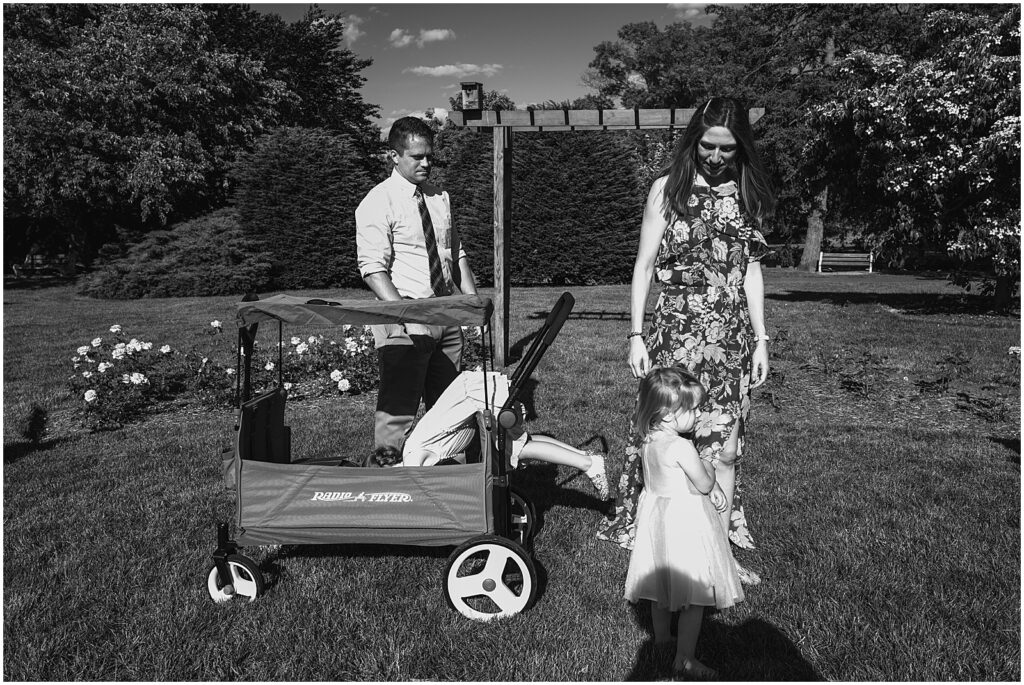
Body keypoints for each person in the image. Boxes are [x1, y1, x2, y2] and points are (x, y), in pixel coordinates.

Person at [597, 97, 775, 584]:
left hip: (731, 334)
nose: (715, 158)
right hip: (675, 327)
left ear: (742, 149)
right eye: (707, 147)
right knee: (673, 437)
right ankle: (663, 539)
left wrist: (761, 339)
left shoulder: (747, 193)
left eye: (727, 150)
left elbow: (751, 271)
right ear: (693, 139)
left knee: (728, 448)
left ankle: (721, 555)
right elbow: (644, 265)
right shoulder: (667, 190)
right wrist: (636, 334)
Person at [356, 116, 479, 451]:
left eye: (429, 156)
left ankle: (448, 482)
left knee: (451, 408)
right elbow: (372, 269)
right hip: (405, 314)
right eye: (417, 157)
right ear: (394, 156)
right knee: (398, 409)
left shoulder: (440, 197)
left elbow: (457, 253)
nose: (426, 163)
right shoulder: (378, 201)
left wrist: (473, 303)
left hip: (446, 312)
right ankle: (390, 483)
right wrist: (408, 318)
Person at [623, 367, 744, 679]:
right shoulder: (681, 446)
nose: (696, 414)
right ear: (665, 414)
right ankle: (685, 658)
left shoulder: (648, 442)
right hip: (685, 523)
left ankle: (663, 640)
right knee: (694, 596)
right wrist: (709, 464)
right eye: (690, 409)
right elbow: (703, 483)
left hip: (658, 522)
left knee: (660, 588)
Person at [380, 369, 609, 500]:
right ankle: (583, 454)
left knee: (515, 449)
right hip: (477, 389)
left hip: (477, 393)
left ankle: (588, 463)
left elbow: (417, 486)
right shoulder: (413, 449)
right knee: (523, 440)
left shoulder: (411, 457)